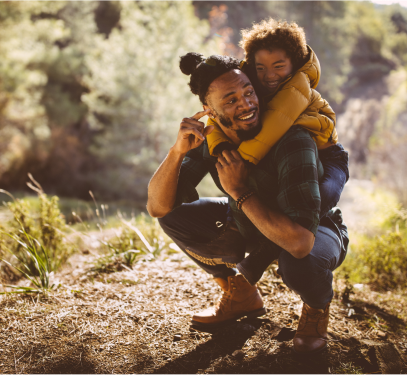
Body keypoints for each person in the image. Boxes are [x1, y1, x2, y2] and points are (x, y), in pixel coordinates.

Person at [147, 52, 348, 354]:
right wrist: (177, 152)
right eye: (230, 100)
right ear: (209, 110)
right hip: (252, 223)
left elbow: (299, 241)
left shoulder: (293, 140)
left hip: (316, 229)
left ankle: (316, 308)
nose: (246, 104)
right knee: (175, 218)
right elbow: (158, 207)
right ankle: (240, 295)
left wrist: (239, 190)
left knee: (299, 264)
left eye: (248, 92)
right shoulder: (213, 139)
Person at [205, 19, 349, 284]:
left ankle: (264, 254)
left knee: (322, 198)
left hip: (330, 158)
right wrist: (220, 144)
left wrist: (243, 162)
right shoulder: (255, 87)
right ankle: (236, 228)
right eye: (260, 68)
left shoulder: (297, 88)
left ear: (294, 64)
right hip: (300, 154)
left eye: (278, 66)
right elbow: (215, 120)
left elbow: (272, 128)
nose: (269, 75)